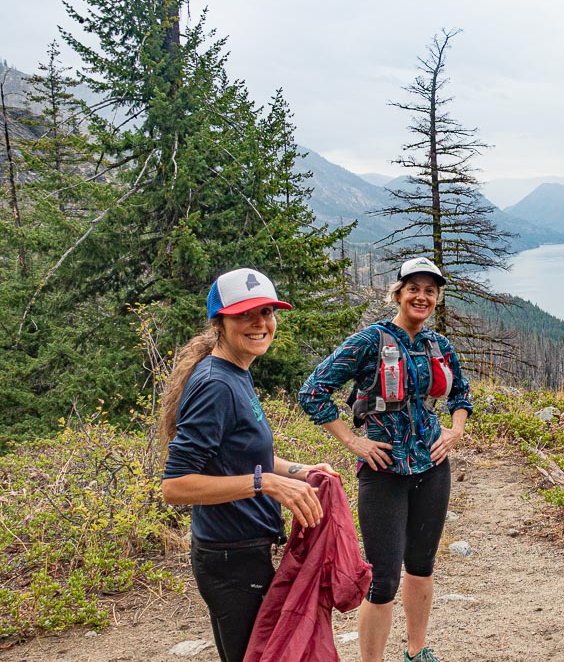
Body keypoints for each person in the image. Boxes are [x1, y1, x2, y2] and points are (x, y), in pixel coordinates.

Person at [298, 256, 472, 662]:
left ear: (436, 299)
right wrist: (353, 442)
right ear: (398, 293)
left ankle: (416, 650)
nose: (422, 297)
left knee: (422, 565)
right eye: (414, 288)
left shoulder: (438, 345)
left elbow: (461, 393)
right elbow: (313, 391)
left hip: (432, 468)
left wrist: (455, 430)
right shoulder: (369, 341)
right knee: (382, 579)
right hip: (383, 471)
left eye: (430, 291)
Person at [160, 268, 336, 662]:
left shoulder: (236, 373)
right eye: (245, 314)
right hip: (229, 559)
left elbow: (246, 456)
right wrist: (265, 485)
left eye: (268, 312)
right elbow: (176, 486)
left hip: (243, 553)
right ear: (219, 322)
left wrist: (301, 472)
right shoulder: (215, 384)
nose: (261, 323)